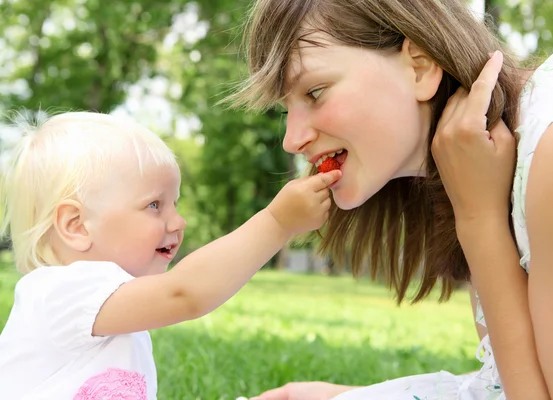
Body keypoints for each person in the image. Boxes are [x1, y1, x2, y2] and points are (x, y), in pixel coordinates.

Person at [228, 0, 553, 399]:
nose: (292, 138)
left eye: (315, 92)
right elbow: (514, 379)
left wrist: (479, 220)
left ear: (419, 65)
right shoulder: (477, 163)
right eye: (286, 109)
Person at [0, 111, 341, 399]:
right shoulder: (58, 293)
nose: (178, 222)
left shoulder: (101, 307)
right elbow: (186, 292)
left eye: (174, 203)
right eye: (154, 205)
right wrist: (276, 222)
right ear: (76, 225)